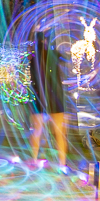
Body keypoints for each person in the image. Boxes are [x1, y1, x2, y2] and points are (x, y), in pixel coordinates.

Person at [28, 28, 69, 164]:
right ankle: (61, 163)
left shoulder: (33, 59)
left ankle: (34, 160)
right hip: (55, 97)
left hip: (40, 97)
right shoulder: (54, 55)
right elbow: (66, 59)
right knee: (60, 134)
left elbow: (32, 80)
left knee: (37, 132)